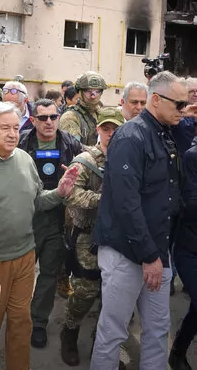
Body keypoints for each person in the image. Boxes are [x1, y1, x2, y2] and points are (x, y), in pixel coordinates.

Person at [0, 101, 78, 370]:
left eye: (16, 127)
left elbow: (37, 201)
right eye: (5, 128)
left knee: (21, 324)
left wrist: (59, 193)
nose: (13, 134)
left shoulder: (25, 160)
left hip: (25, 257)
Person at [90, 71, 188, 370]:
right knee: (113, 331)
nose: (183, 110)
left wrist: (158, 254)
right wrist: (149, 256)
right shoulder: (131, 136)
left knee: (158, 328)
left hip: (157, 249)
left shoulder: (165, 132)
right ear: (156, 100)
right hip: (127, 251)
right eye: (179, 104)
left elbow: (167, 194)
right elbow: (126, 203)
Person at [60, 107, 124, 366]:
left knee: (112, 297)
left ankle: (102, 346)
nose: (110, 134)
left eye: (116, 129)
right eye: (106, 129)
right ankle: (69, 332)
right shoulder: (85, 160)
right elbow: (70, 194)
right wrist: (103, 199)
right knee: (85, 292)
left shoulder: (129, 158)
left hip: (118, 238)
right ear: (98, 130)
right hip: (88, 237)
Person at [19, 99, 82, 348]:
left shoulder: (70, 143)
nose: (49, 122)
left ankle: (38, 323)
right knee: (23, 273)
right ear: (33, 120)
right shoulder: (21, 142)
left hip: (57, 218)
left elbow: (87, 163)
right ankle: (18, 317)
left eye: (53, 117)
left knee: (48, 274)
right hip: (27, 217)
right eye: (43, 118)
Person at [169, 143, 197, 370]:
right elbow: (189, 204)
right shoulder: (191, 157)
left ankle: (178, 349)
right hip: (189, 248)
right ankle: (178, 350)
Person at [59, 72, 107, 145]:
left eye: (97, 91)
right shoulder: (71, 116)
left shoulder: (101, 114)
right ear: (80, 92)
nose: (93, 96)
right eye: (88, 91)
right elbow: (73, 147)